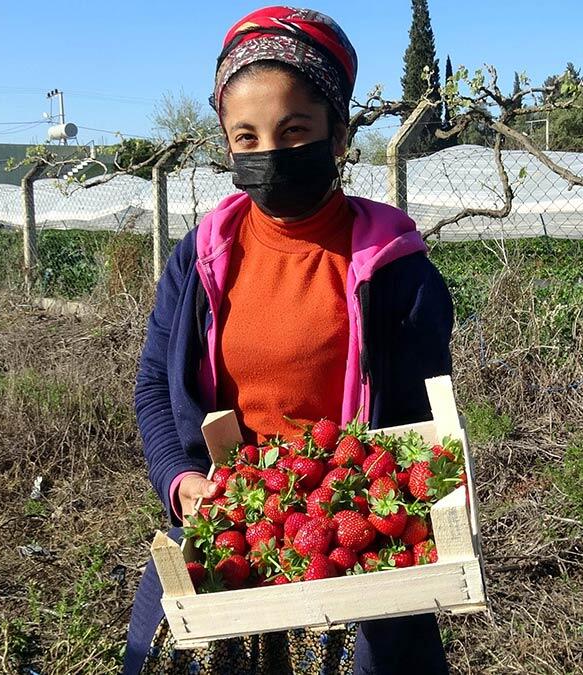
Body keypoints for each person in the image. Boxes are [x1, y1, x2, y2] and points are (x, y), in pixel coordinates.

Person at [125, 6, 454, 674]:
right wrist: (183, 481)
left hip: (352, 536)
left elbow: (425, 431)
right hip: (237, 521)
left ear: (337, 133)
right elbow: (156, 385)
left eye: (293, 129)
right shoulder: (199, 260)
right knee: (159, 645)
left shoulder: (398, 272)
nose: (268, 152)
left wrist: (420, 517)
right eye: (245, 137)